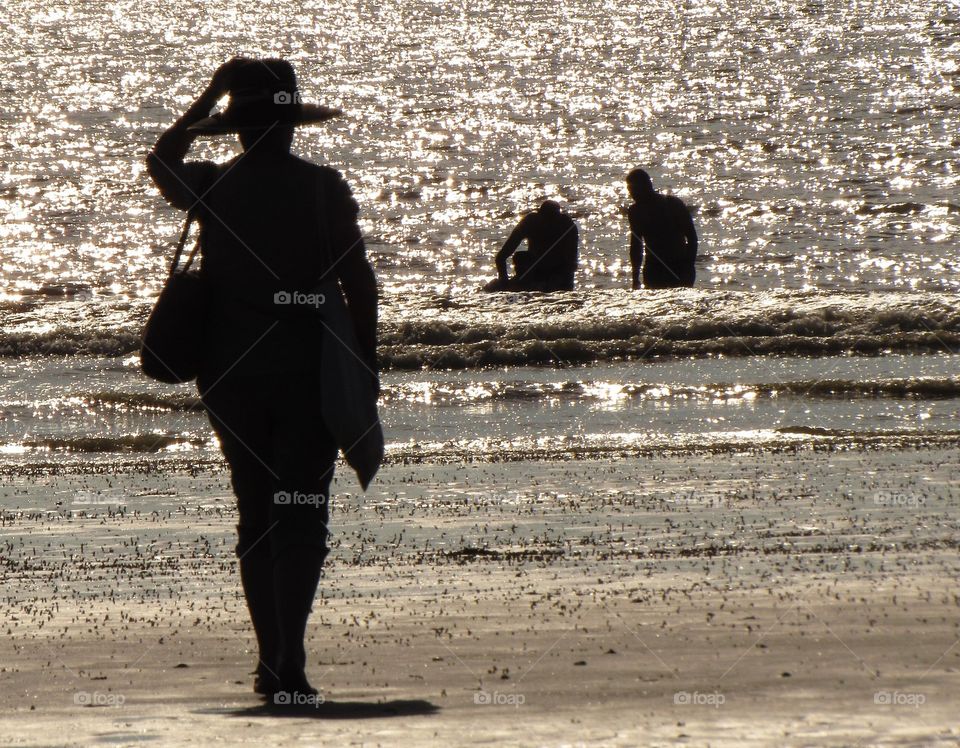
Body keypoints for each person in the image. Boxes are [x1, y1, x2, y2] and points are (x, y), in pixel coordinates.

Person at [146, 58, 378, 704]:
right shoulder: (321, 189)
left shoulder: (214, 186)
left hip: (232, 382)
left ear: (242, 128)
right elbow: (359, 283)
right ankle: (290, 657)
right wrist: (368, 362)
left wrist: (210, 92)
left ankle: (270, 656)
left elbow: (160, 159)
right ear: (290, 125)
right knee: (302, 511)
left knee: (257, 517)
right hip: (308, 379)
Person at [626, 168, 698, 289]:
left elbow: (692, 238)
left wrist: (689, 265)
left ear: (647, 186)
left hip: (679, 266)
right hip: (653, 269)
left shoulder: (673, 204)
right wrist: (635, 277)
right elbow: (636, 246)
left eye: (634, 190)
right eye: (630, 190)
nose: (631, 194)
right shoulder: (635, 211)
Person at [483, 200, 578, 291]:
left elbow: (571, 263)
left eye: (552, 219)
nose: (549, 224)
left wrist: (554, 282)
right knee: (521, 258)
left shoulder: (567, 226)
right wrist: (504, 281)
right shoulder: (530, 222)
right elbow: (501, 257)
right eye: (546, 219)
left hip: (559, 276)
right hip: (532, 274)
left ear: (559, 217)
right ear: (539, 215)